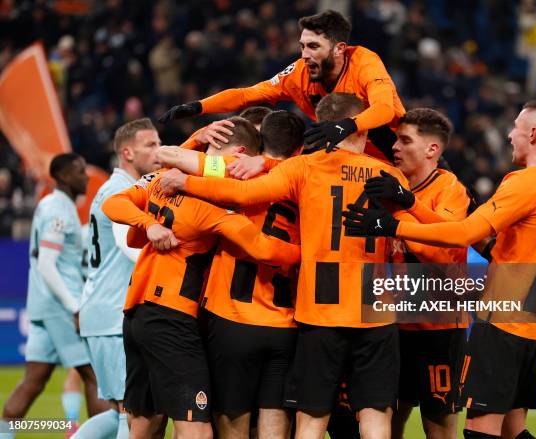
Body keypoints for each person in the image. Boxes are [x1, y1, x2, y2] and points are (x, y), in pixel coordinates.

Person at [157, 93, 409, 439]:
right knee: (376, 417)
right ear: (362, 130)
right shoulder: (392, 176)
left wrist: (187, 179)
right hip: (372, 309)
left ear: (320, 129)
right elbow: (407, 243)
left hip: (314, 310)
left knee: (310, 419)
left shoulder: (300, 170)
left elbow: (240, 192)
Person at [343, 100, 536, 439]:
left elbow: (463, 233)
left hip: (504, 323)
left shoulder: (528, 181)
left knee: (478, 431)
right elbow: (495, 248)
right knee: (513, 431)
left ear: (532, 133)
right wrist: (416, 206)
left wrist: (393, 224)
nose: (509, 134)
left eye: (515, 127)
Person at [101, 117, 301, 439]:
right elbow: (263, 249)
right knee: (197, 431)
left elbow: (115, 206)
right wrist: (307, 253)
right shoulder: (213, 210)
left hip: (136, 312)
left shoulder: (162, 179)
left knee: (145, 423)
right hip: (173, 317)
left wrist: (147, 224)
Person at [158, 110, 304, 438]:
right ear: (299, 150)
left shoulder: (235, 171)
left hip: (232, 319)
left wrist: (202, 136)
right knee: (275, 431)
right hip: (285, 325)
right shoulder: (306, 182)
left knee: (232, 430)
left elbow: (168, 154)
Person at [158, 10, 405, 157]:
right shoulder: (299, 72)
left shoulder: (364, 62)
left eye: (313, 46)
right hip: (347, 160)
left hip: (400, 156)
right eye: (302, 46)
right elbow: (247, 95)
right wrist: (199, 107)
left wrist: (344, 126)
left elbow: (385, 110)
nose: (305, 54)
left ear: (339, 49)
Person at [364, 109, 472, 439]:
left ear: (432, 150)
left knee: (438, 427)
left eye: (405, 140)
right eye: (396, 139)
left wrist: (398, 217)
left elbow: (440, 254)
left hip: (436, 327)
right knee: (387, 419)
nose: (395, 147)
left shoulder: (450, 190)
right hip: (391, 326)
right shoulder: (388, 185)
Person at [0, 153, 108, 439]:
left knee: (32, 382)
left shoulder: (51, 206)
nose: (86, 176)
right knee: (95, 377)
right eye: (80, 171)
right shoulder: (59, 210)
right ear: (62, 177)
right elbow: (48, 263)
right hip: (61, 305)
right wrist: (74, 307)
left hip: (42, 304)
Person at [74, 118, 162, 439]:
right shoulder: (121, 192)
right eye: (150, 145)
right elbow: (130, 248)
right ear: (127, 152)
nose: (159, 150)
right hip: (112, 315)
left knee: (121, 410)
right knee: (133, 410)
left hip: (103, 311)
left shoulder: (113, 190)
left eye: (159, 142)